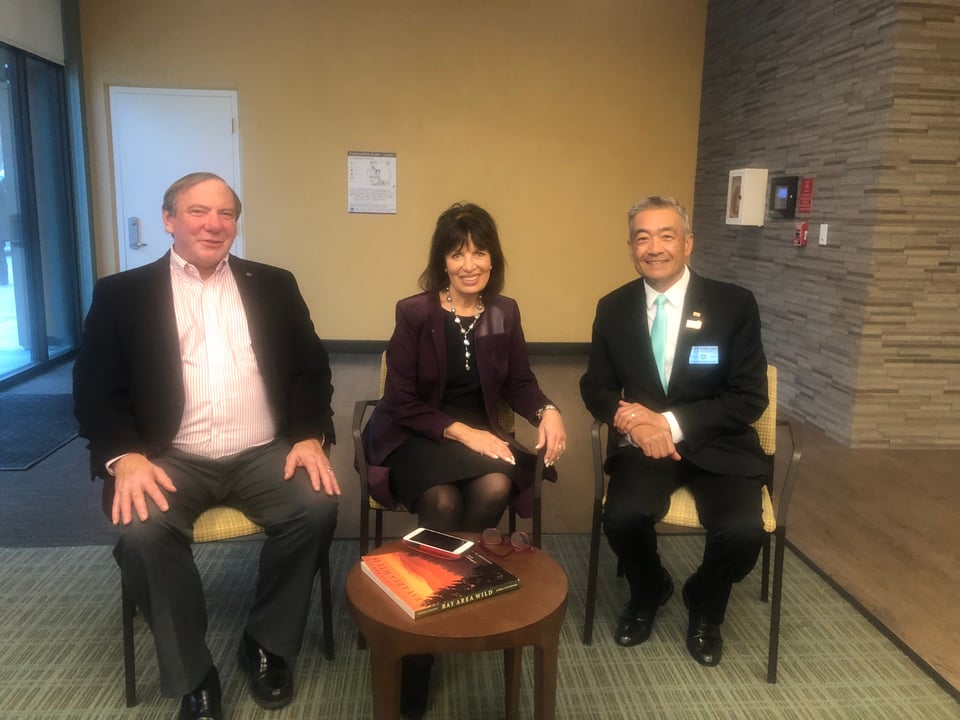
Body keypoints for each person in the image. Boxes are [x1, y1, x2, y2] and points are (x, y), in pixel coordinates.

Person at [73, 172, 339, 720]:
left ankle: (266, 643)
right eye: (197, 211)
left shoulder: (274, 284)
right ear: (169, 220)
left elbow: (311, 370)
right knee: (144, 533)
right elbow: (95, 391)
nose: (213, 224)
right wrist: (124, 457)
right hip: (167, 458)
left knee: (315, 507)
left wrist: (310, 434)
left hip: (262, 450)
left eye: (225, 214)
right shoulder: (122, 294)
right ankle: (194, 674)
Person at [362, 202, 566, 718]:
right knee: (441, 499)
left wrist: (549, 411)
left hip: (481, 436)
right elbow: (401, 401)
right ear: (442, 261)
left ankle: (442, 602)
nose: (469, 263)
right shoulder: (415, 312)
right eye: (458, 253)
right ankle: (422, 652)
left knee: (495, 488)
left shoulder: (504, 311)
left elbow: (520, 382)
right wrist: (464, 434)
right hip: (417, 433)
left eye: (479, 252)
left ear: (493, 259)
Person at [580, 195, 769, 667]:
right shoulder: (613, 307)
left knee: (743, 532)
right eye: (642, 237)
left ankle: (704, 601)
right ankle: (650, 589)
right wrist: (631, 420)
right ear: (630, 248)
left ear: (688, 243)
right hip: (644, 448)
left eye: (666, 235)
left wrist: (667, 422)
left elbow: (749, 397)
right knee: (621, 517)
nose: (654, 247)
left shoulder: (733, 304)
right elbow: (596, 386)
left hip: (719, 444)